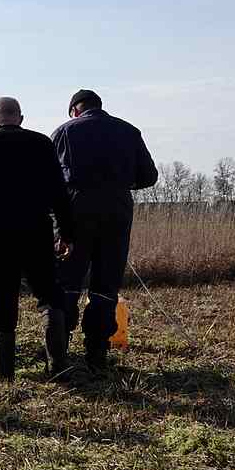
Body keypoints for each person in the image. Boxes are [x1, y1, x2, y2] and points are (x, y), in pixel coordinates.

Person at [0, 97, 75, 383]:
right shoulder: (42, 144)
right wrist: (67, 233)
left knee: (0, 303)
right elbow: (60, 193)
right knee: (50, 296)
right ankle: (58, 367)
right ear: (20, 118)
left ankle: (5, 377)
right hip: (37, 233)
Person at [52, 89, 157, 375]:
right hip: (117, 213)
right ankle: (97, 354)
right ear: (100, 107)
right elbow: (149, 176)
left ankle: (59, 353)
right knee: (105, 285)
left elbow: (51, 181)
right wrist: (119, 183)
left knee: (68, 281)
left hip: (75, 213)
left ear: (75, 109)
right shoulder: (129, 131)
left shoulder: (64, 132)